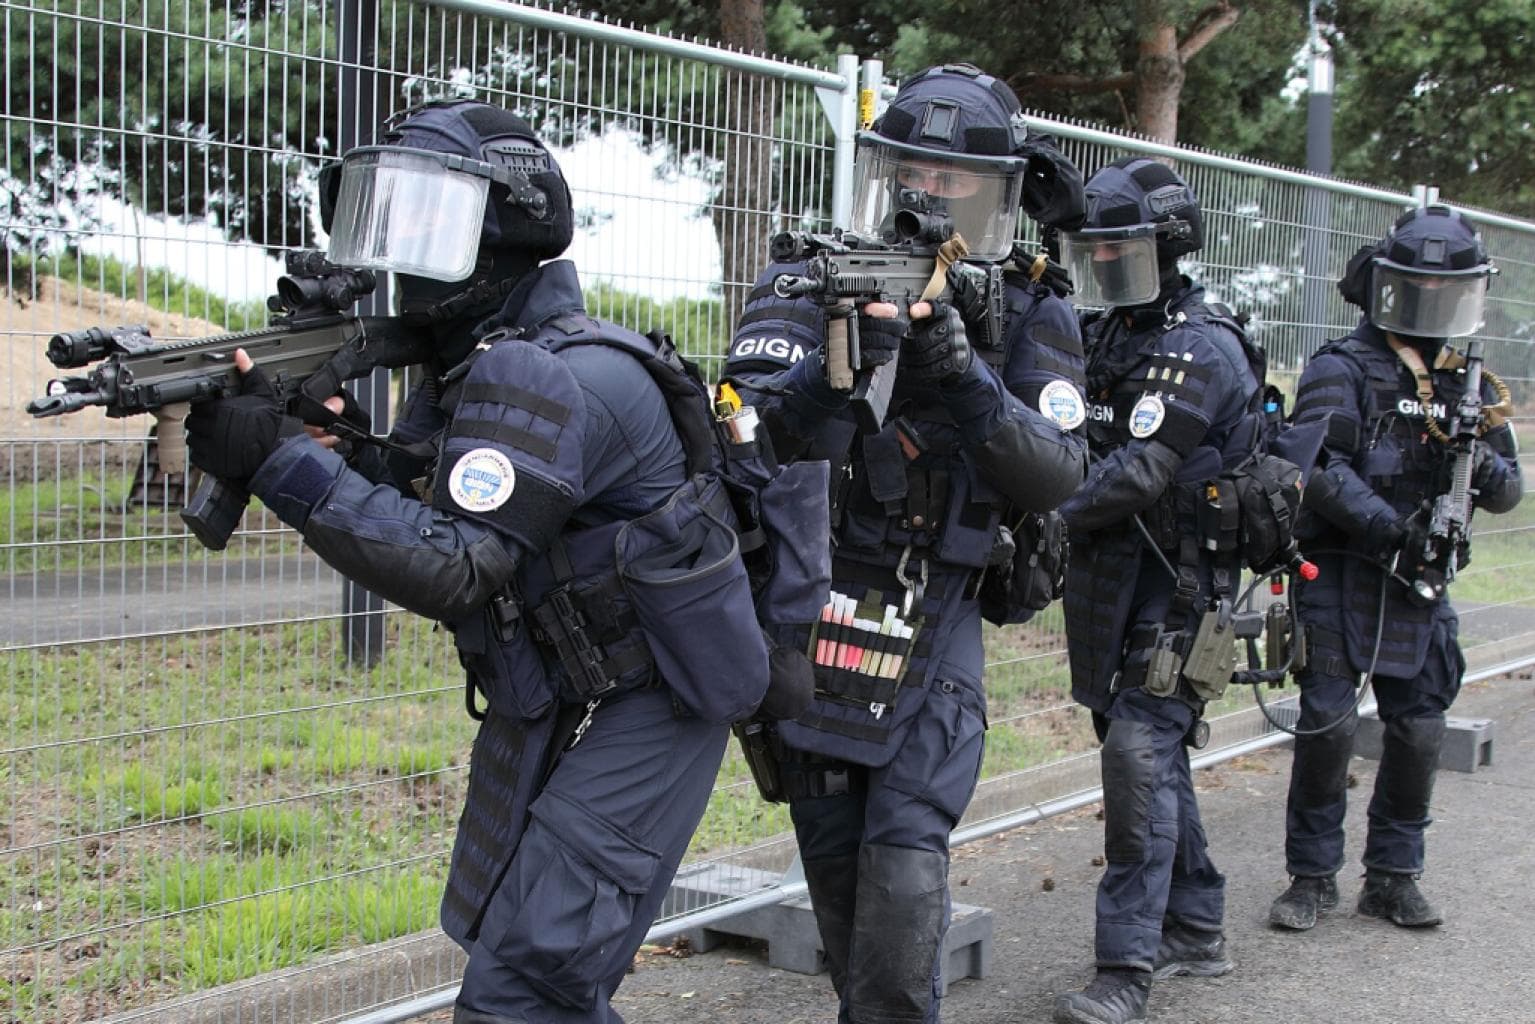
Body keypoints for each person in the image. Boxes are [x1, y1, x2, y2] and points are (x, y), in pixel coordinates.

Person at [184, 98, 780, 1024]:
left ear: (499, 229)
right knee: (522, 959)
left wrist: (280, 461)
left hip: (657, 700)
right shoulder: (480, 364)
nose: (391, 253)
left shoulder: (554, 372)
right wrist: (321, 444)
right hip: (569, 691)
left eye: (421, 219)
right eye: (379, 218)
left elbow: (457, 564)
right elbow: (434, 503)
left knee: (525, 983)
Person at [724, 63, 1089, 1024]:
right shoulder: (811, 276)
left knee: (903, 859)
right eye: (912, 173)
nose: (928, 196)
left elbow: (1059, 473)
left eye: (955, 180)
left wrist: (964, 376)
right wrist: (830, 373)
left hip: (939, 608)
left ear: (997, 192)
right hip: (816, 608)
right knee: (842, 871)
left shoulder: (1031, 308)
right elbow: (742, 441)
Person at [1269, 205, 1522, 932]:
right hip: (1342, 571)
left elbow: (1505, 490)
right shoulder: (1339, 368)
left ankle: (1392, 874)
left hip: (1419, 587)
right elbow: (1315, 469)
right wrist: (1389, 529)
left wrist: (1473, 453)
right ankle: (1311, 876)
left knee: (1417, 729)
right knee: (1327, 724)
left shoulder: (1467, 384)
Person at [1052, 158, 1261, 1024]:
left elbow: (1139, 472)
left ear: (1166, 247)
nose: (1102, 265)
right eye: (1092, 251)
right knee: (1148, 750)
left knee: (1136, 754)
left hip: (1182, 583)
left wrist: (1043, 514)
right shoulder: (1104, 334)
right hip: (1110, 577)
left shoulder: (1197, 343)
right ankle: (1195, 923)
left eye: (1119, 250)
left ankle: (1125, 969)